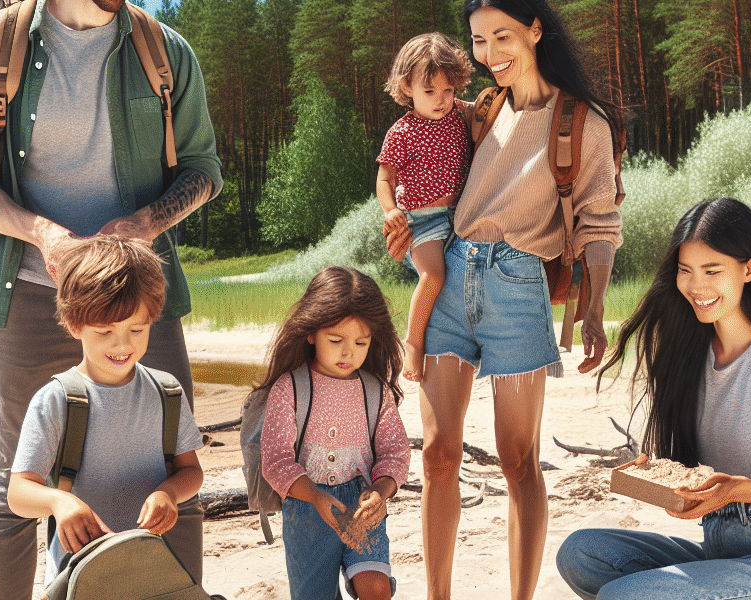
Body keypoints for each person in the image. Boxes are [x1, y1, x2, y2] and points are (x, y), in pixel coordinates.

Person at [0, 0, 222, 597]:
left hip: (143, 298)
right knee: (11, 492)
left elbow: (203, 170)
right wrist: (41, 232)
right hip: (27, 293)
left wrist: (145, 222)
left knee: (176, 481)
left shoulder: (164, 52)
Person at [382, 1, 624, 598]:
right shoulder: (482, 109)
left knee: (518, 460)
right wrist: (397, 219)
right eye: (479, 41)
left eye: (503, 37)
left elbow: (600, 222)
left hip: (518, 287)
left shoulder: (582, 122)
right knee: (439, 454)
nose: (490, 54)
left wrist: (593, 312)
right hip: (451, 273)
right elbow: (420, 160)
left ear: (536, 30)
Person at [556, 197, 751, 600]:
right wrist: (655, 476)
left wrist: (739, 488)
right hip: (721, 548)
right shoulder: (690, 355)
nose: (696, 286)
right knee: (582, 553)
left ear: (749, 268)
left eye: (712, 270)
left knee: (626, 595)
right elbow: (699, 475)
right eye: (685, 271)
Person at [6, 236, 204, 587]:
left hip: (156, 570)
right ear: (74, 325)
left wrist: (168, 493)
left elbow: (191, 472)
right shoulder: (56, 400)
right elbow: (19, 493)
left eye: (136, 329)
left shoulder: (167, 392)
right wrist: (59, 502)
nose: (122, 344)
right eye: (104, 331)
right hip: (80, 575)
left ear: (152, 320)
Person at [259, 266, 411, 600]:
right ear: (311, 332)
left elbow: (395, 453)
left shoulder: (376, 391)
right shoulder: (290, 388)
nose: (348, 352)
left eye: (360, 342)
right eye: (336, 340)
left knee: (376, 589)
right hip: (307, 510)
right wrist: (314, 495)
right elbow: (275, 460)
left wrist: (381, 493)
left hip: (363, 504)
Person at [377, 32, 473, 382]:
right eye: (430, 91)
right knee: (433, 276)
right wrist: (390, 211)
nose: (441, 100)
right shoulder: (402, 132)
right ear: (407, 86)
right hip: (422, 220)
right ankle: (414, 344)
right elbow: (384, 180)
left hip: (460, 215)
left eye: (449, 90)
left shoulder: (459, 115)